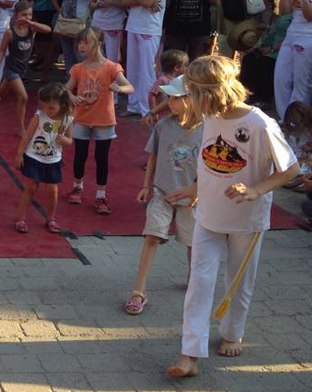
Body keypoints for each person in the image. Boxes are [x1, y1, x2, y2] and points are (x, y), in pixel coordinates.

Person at [167, 56, 299, 378]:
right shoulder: (211, 116)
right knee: (199, 282)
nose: (189, 99)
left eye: (192, 92)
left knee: (239, 283)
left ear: (209, 93)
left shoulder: (260, 124)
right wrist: (195, 188)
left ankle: (232, 332)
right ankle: (189, 354)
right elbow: (209, 159)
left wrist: (256, 190)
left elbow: (291, 169)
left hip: (246, 220)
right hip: (208, 215)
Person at [126, 75, 201, 316]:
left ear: (191, 99)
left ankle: (194, 278)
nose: (169, 102)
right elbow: (153, 156)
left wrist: (199, 191)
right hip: (162, 191)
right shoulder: (164, 125)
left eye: (175, 98)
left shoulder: (208, 129)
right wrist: (145, 185)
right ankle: (139, 291)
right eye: (169, 98)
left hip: (191, 198)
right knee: (151, 236)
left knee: (193, 243)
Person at [65, 27, 135, 214]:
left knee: (101, 157)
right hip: (82, 118)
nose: (81, 46)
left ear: (99, 44)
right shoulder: (78, 68)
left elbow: (129, 87)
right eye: (80, 42)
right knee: (80, 154)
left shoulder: (112, 67)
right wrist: (72, 97)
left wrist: (119, 89)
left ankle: (100, 195)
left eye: (86, 42)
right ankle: (77, 186)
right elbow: (66, 89)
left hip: (104, 120)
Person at [0, 1, 51, 132]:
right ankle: (20, 128)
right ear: (16, 15)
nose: (27, 18)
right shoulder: (10, 33)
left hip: (22, 68)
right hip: (12, 68)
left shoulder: (31, 29)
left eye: (29, 15)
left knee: (1, 90)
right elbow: (1, 51)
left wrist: (31, 23)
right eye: (24, 15)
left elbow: (48, 29)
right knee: (23, 97)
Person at [13, 82, 75, 234]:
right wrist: (20, 154)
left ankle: (50, 218)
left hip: (52, 159)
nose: (48, 111)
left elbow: (70, 139)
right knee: (30, 188)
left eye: (51, 108)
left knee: (52, 191)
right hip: (34, 156)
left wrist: (66, 141)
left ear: (62, 104)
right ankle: (21, 218)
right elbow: (27, 135)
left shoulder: (67, 119)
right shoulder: (39, 116)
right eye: (44, 107)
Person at [121, 0, 169, 117]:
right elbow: (126, 1)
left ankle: (147, 108)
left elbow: (148, 1)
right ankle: (133, 106)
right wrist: (143, 0)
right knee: (133, 68)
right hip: (133, 24)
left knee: (146, 69)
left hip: (149, 28)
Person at [142, 50, 190, 128]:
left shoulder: (178, 80)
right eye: (185, 65)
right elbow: (152, 94)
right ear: (176, 68)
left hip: (171, 112)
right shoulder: (162, 80)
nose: (187, 68)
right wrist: (154, 110)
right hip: (162, 113)